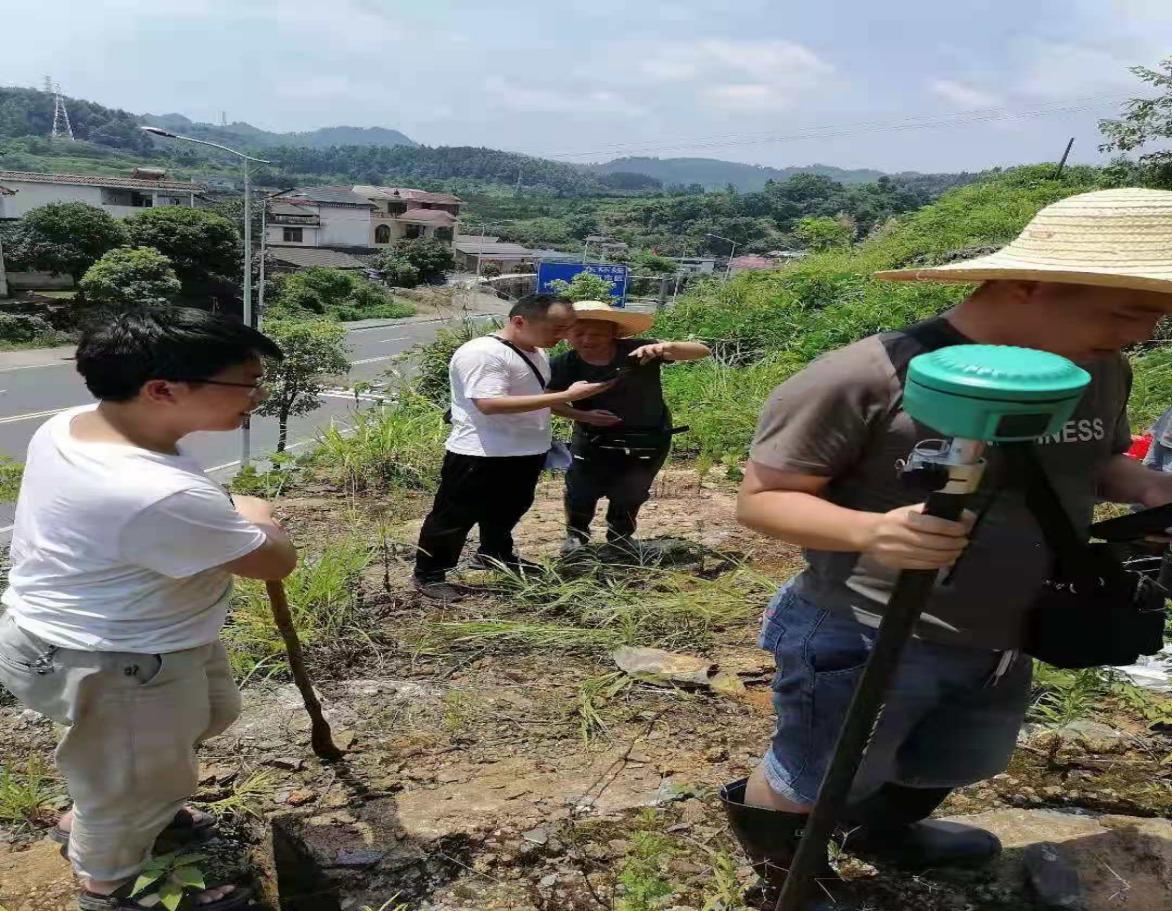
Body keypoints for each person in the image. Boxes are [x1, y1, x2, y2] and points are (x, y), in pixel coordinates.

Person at [724, 188, 1172, 909]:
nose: (1144, 333)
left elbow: (1097, 460)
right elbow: (763, 499)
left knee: (954, 757)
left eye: (1158, 317)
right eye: (1127, 312)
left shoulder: (1098, 368)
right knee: (817, 772)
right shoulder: (866, 378)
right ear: (1026, 284)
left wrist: (1148, 487)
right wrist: (872, 531)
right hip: (867, 629)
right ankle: (789, 879)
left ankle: (881, 832)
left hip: (1007, 629)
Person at [0, 307, 296, 911]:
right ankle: (110, 884)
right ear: (162, 390)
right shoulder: (153, 492)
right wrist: (257, 513)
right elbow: (274, 560)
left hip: (106, 639)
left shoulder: (73, 425)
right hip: (116, 660)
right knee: (135, 780)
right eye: (246, 383)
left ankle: (119, 803)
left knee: (204, 717)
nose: (258, 396)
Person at [412, 294, 612, 601]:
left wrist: (581, 414)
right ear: (519, 321)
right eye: (556, 329)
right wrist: (567, 396)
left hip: (526, 451)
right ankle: (429, 573)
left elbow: (536, 397)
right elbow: (489, 404)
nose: (563, 336)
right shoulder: (483, 353)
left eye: (566, 328)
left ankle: (494, 554)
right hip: (481, 453)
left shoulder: (537, 351)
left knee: (509, 508)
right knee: (454, 515)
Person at [548, 300, 710, 552]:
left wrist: (667, 347)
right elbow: (550, 400)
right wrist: (583, 415)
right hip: (592, 438)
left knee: (632, 491)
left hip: (647, 438)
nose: (587, 339)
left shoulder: (639, 351)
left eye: (596, 333)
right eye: (578, 333)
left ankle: (620, 537)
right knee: (580, 489)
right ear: (566, 333)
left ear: (613, 332)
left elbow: (701, 351)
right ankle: (576, 536)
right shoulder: (564, 363)